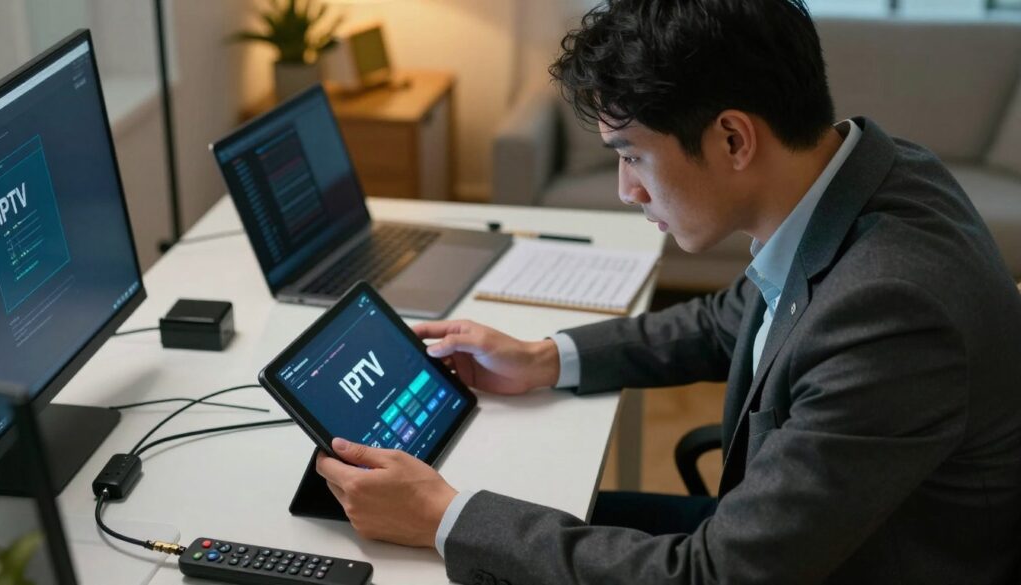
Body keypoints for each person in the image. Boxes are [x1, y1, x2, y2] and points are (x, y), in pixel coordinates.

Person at [314, 0, 1021, 582]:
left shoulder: (892, 309)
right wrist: (543, 357)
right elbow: (734, 315)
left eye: (632, 155)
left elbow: (717, 575)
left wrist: (444, 516)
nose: (626, 190)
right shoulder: (870, 174)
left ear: (733, 141)